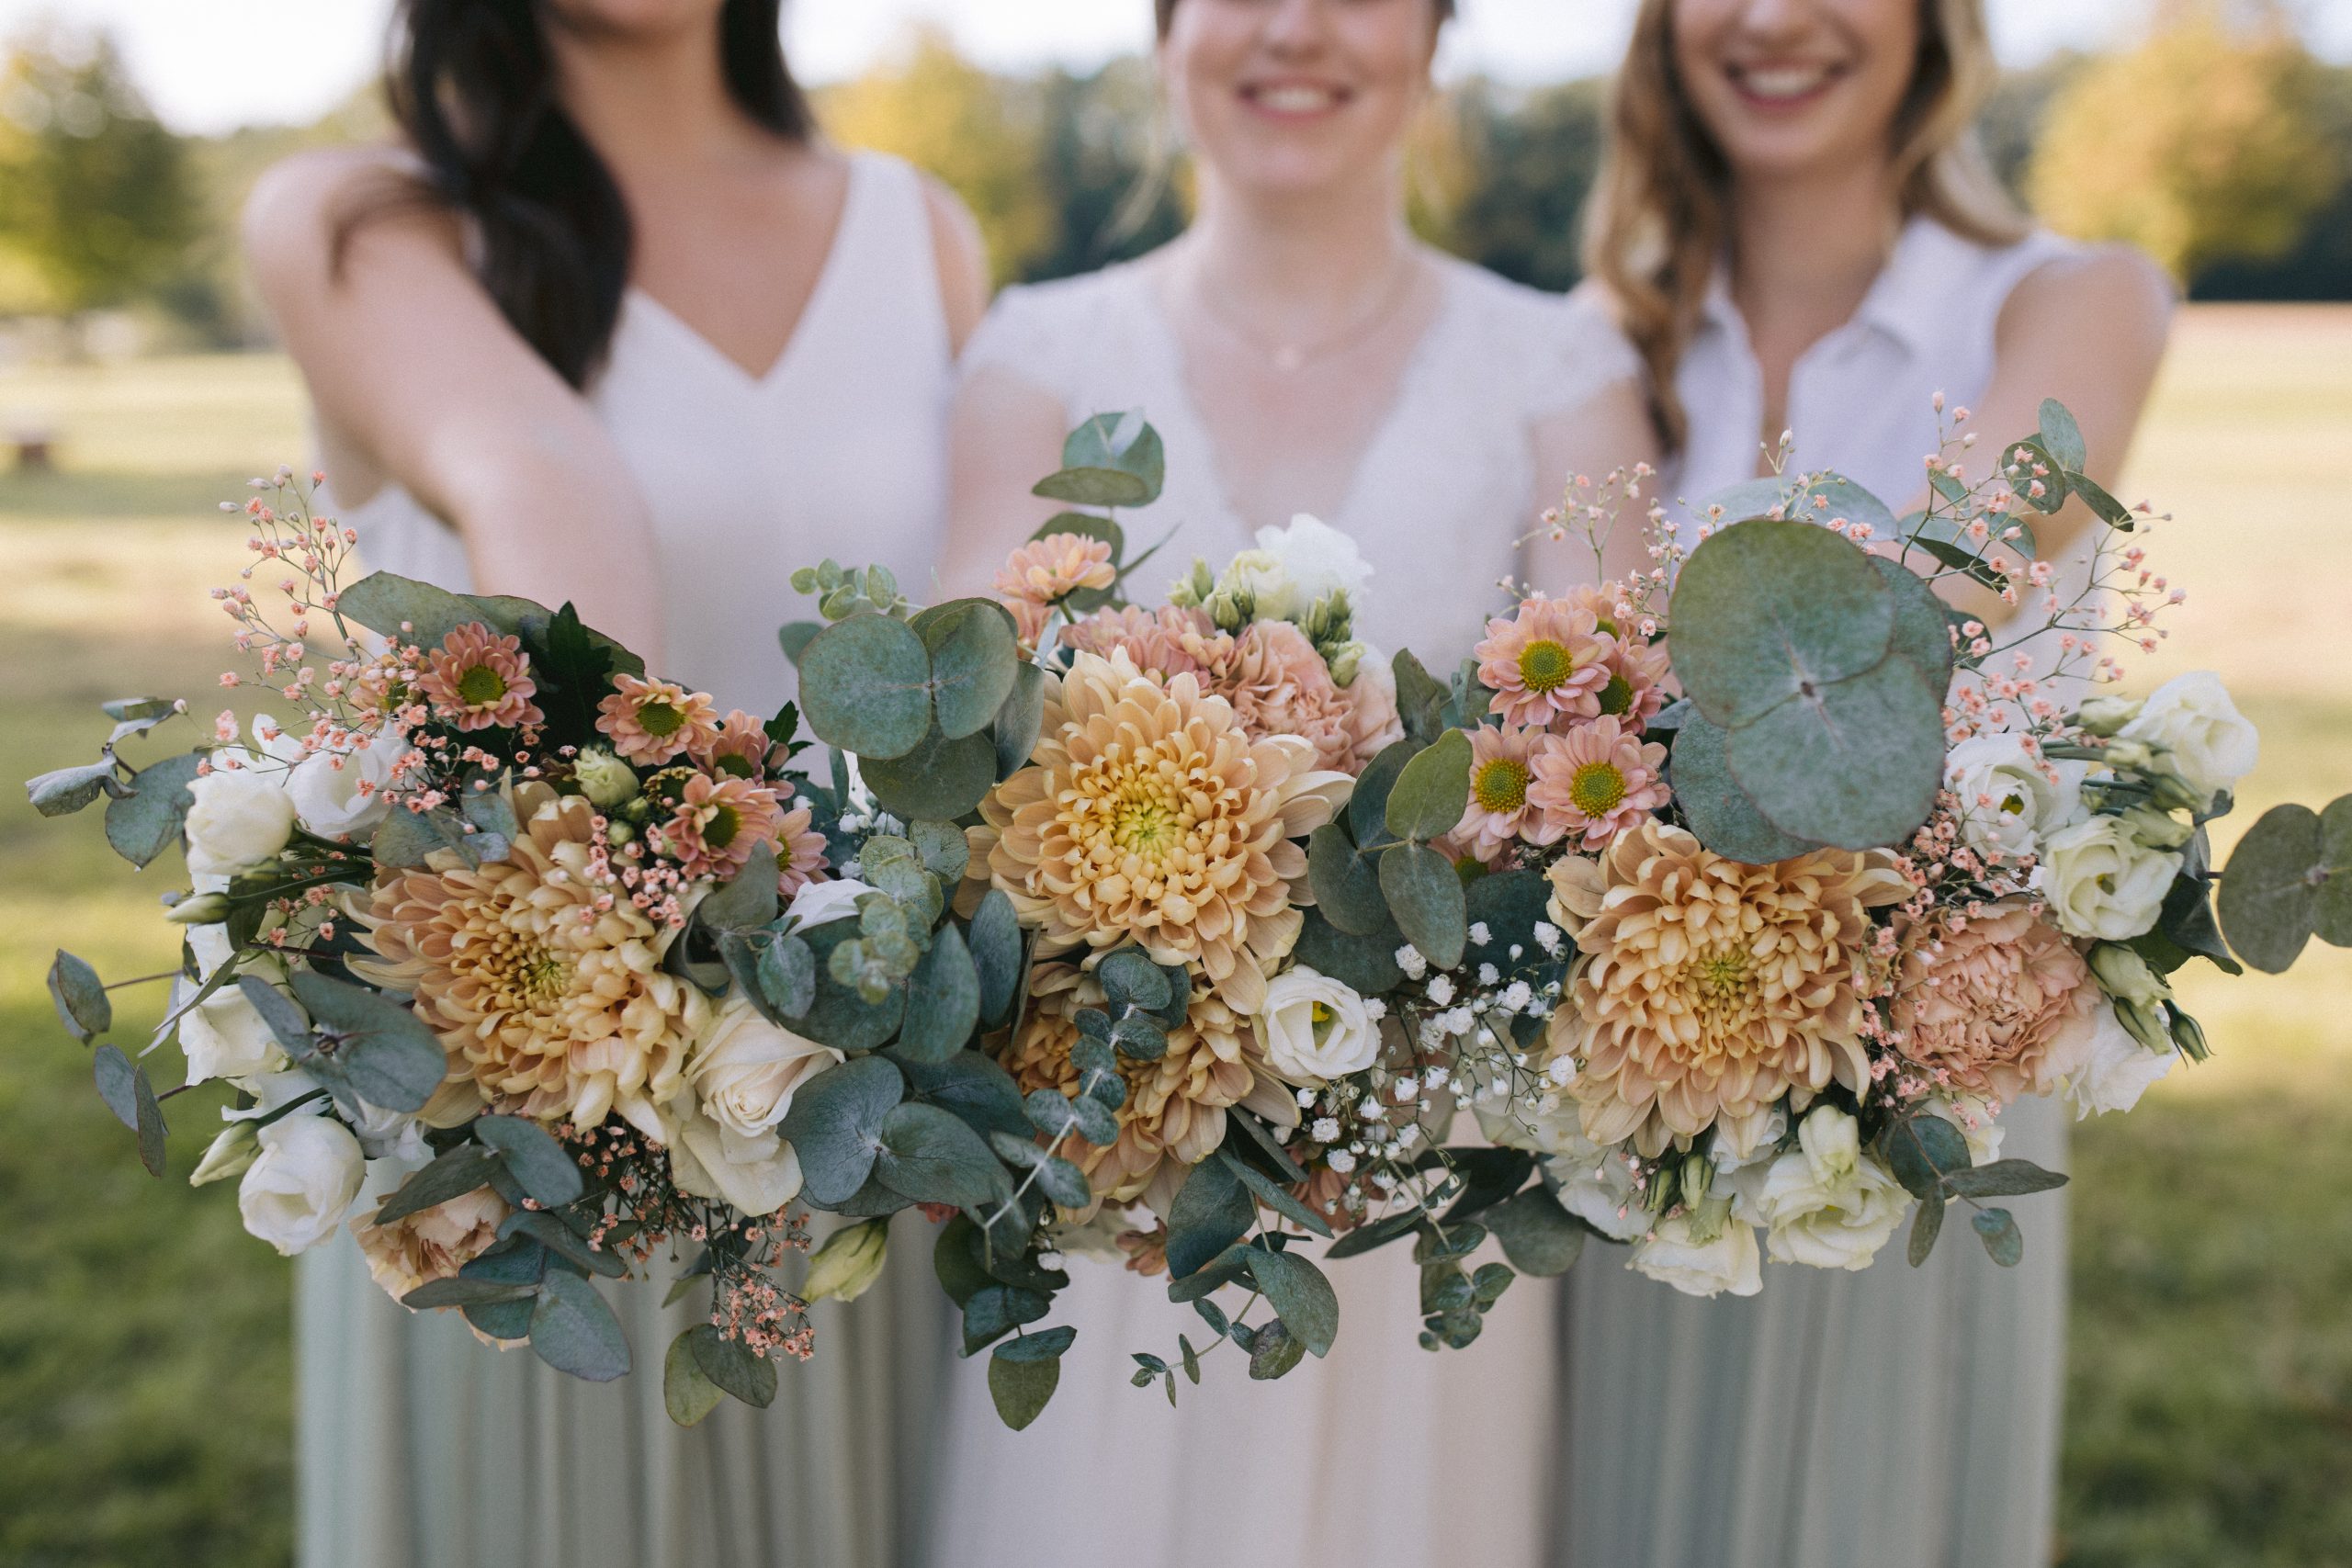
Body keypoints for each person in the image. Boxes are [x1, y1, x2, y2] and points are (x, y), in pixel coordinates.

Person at [243, 3, 989, 1564]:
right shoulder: (365, 217)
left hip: (859, 1121)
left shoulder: (917, 234)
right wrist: (622, 907)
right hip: (524, 1133)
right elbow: (541, 485)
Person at [926, 3, 1655, 1566]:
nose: (1295, 31)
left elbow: (1613, 747)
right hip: (1108, 1130)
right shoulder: (1039, 352)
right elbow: (953, 737)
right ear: (1166, 34)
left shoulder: (1558, 364)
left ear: (1437, 37)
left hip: (1425, 1165)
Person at [1563, 2, 2173, 1563]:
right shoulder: (1593, 346)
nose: (1772, 18)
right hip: (1650, 1108)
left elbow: (1931, 593)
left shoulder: (2074, 304)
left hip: (1923, 1128)